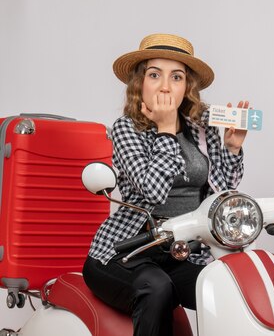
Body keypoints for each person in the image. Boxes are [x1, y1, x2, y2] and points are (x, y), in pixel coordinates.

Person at [83, 33, 248, 336]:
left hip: (182, 252)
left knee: (228, 285)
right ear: (140, 83)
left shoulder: (202, 129)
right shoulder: (126, 128)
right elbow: (153, 193)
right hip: (128, 251)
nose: (165, 86)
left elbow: (221, 194)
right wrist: (166, 130)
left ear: (187, 88)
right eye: (154, 74)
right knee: (157, 288)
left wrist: (232, 149)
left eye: (177, 77)